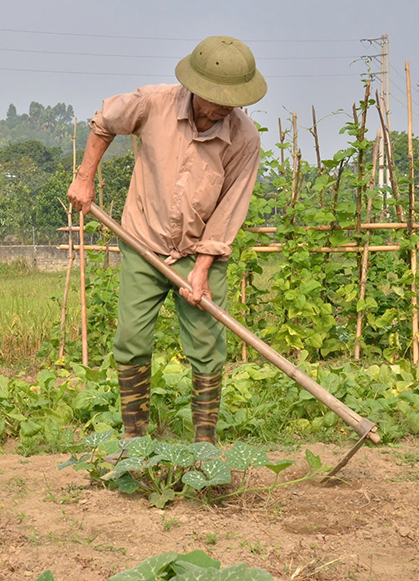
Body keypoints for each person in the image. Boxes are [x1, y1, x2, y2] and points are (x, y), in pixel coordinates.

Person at [67, 36, 266, 444]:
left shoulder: (245, 137)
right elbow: (104, 122)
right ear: (195, 87)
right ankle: (135, 438)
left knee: (208, 344)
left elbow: (229, 210)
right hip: (143, 241)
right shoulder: (152, 103)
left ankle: (205, 444)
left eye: (233, 99)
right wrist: (84, 178)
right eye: (216, 98)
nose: (224, 108)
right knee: (132, 338)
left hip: (199, 252)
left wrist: (203, 269)